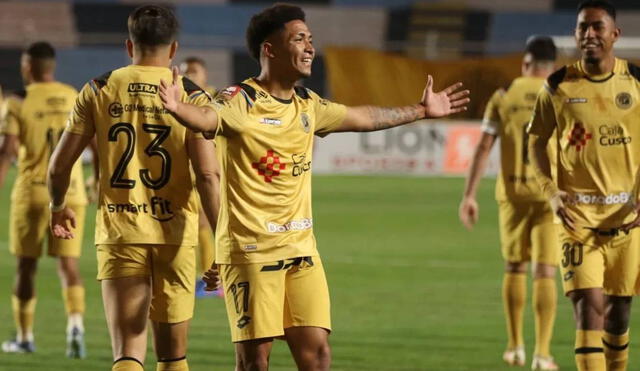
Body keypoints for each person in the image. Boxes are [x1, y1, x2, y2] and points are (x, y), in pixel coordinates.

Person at [158, 3, 470, 370]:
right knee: (255, 362)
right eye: (299, 39)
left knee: (318, 355)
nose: (310, 47)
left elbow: (362, 117)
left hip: (302, 251)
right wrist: (180, 109)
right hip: (253, 253)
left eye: (311, 39)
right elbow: (208, 118)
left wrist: (419, 110)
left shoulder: (308, 104)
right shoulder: (240, 100)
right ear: (269, 49)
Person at [47, 5, 220, 371]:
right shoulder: (193, 96)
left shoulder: (98, 88)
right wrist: (222, 238)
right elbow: (208, 176)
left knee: (128, 351)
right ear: (173, 50)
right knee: (174, 355)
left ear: (129, 45)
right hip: (175, 234)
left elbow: (60, 166)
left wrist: (58, 204)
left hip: (120, 231)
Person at [528, 1, 640, 370]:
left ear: (614, 35)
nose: (589, 35)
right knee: (588, 311)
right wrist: (551, 192)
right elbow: (535, 142)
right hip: (576, 221)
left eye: (597, 27)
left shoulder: (636, 82)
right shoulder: (558, 85)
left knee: (618, 315)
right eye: (582, 28)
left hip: (627, 223)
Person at [459, 36, 560, 370]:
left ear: (525, 63)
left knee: (515, 266)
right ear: (552, 66)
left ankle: (515, 346)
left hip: (513, 195)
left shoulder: (503, 97)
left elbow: (483, 147)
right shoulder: (561, 95)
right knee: (545, 271)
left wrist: (469, 195)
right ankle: (542, 354)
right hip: (551, 198)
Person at [0, 41, 91, 358]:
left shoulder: (17, 102)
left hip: (32, 193)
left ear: (27, 66)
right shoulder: (74, 95)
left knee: (26, 266)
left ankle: (25, 337)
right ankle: (75, 327)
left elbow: (8, 150)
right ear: (52, 66)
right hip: (72, 192)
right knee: (69, 265)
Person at [180, 56, 219, 295]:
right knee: (196, 224)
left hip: (211, 169)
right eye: (186, 72)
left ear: (205, 74)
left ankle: (209, 279)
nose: (190, 76)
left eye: (194, 71)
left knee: (203, 221)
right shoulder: (184, 99)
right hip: (190, 170)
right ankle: (204, 277)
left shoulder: (214, 98)